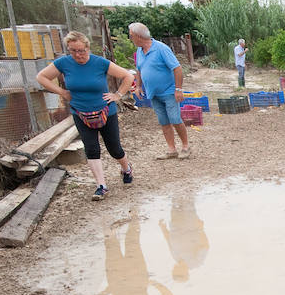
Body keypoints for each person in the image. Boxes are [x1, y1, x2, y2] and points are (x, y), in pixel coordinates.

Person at [36, 32, 135, 201]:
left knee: (114, 148)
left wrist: (117, 95)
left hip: (105, 111)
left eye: (81, 50)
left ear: (87, 48)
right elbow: (41, 77)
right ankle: (101, 186)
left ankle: (126, 169)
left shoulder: (100, 62)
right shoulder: (63, 63)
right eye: (73, 51)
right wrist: (62, 92)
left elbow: (128, 76)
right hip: (80, 112)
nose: (78, 54)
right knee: (91, 148)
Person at [128, 22, 190, 160]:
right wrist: (138, 86)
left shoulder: (161, 48)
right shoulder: (140, 51)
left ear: (139, 36)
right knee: (163, 121)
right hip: (153, 93)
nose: (130, 39)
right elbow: (139, 69)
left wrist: (178, 89)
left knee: (175, 119)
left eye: (131, 36)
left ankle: (186, 146)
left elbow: (177, 68)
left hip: (168, 91)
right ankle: (171, 149)